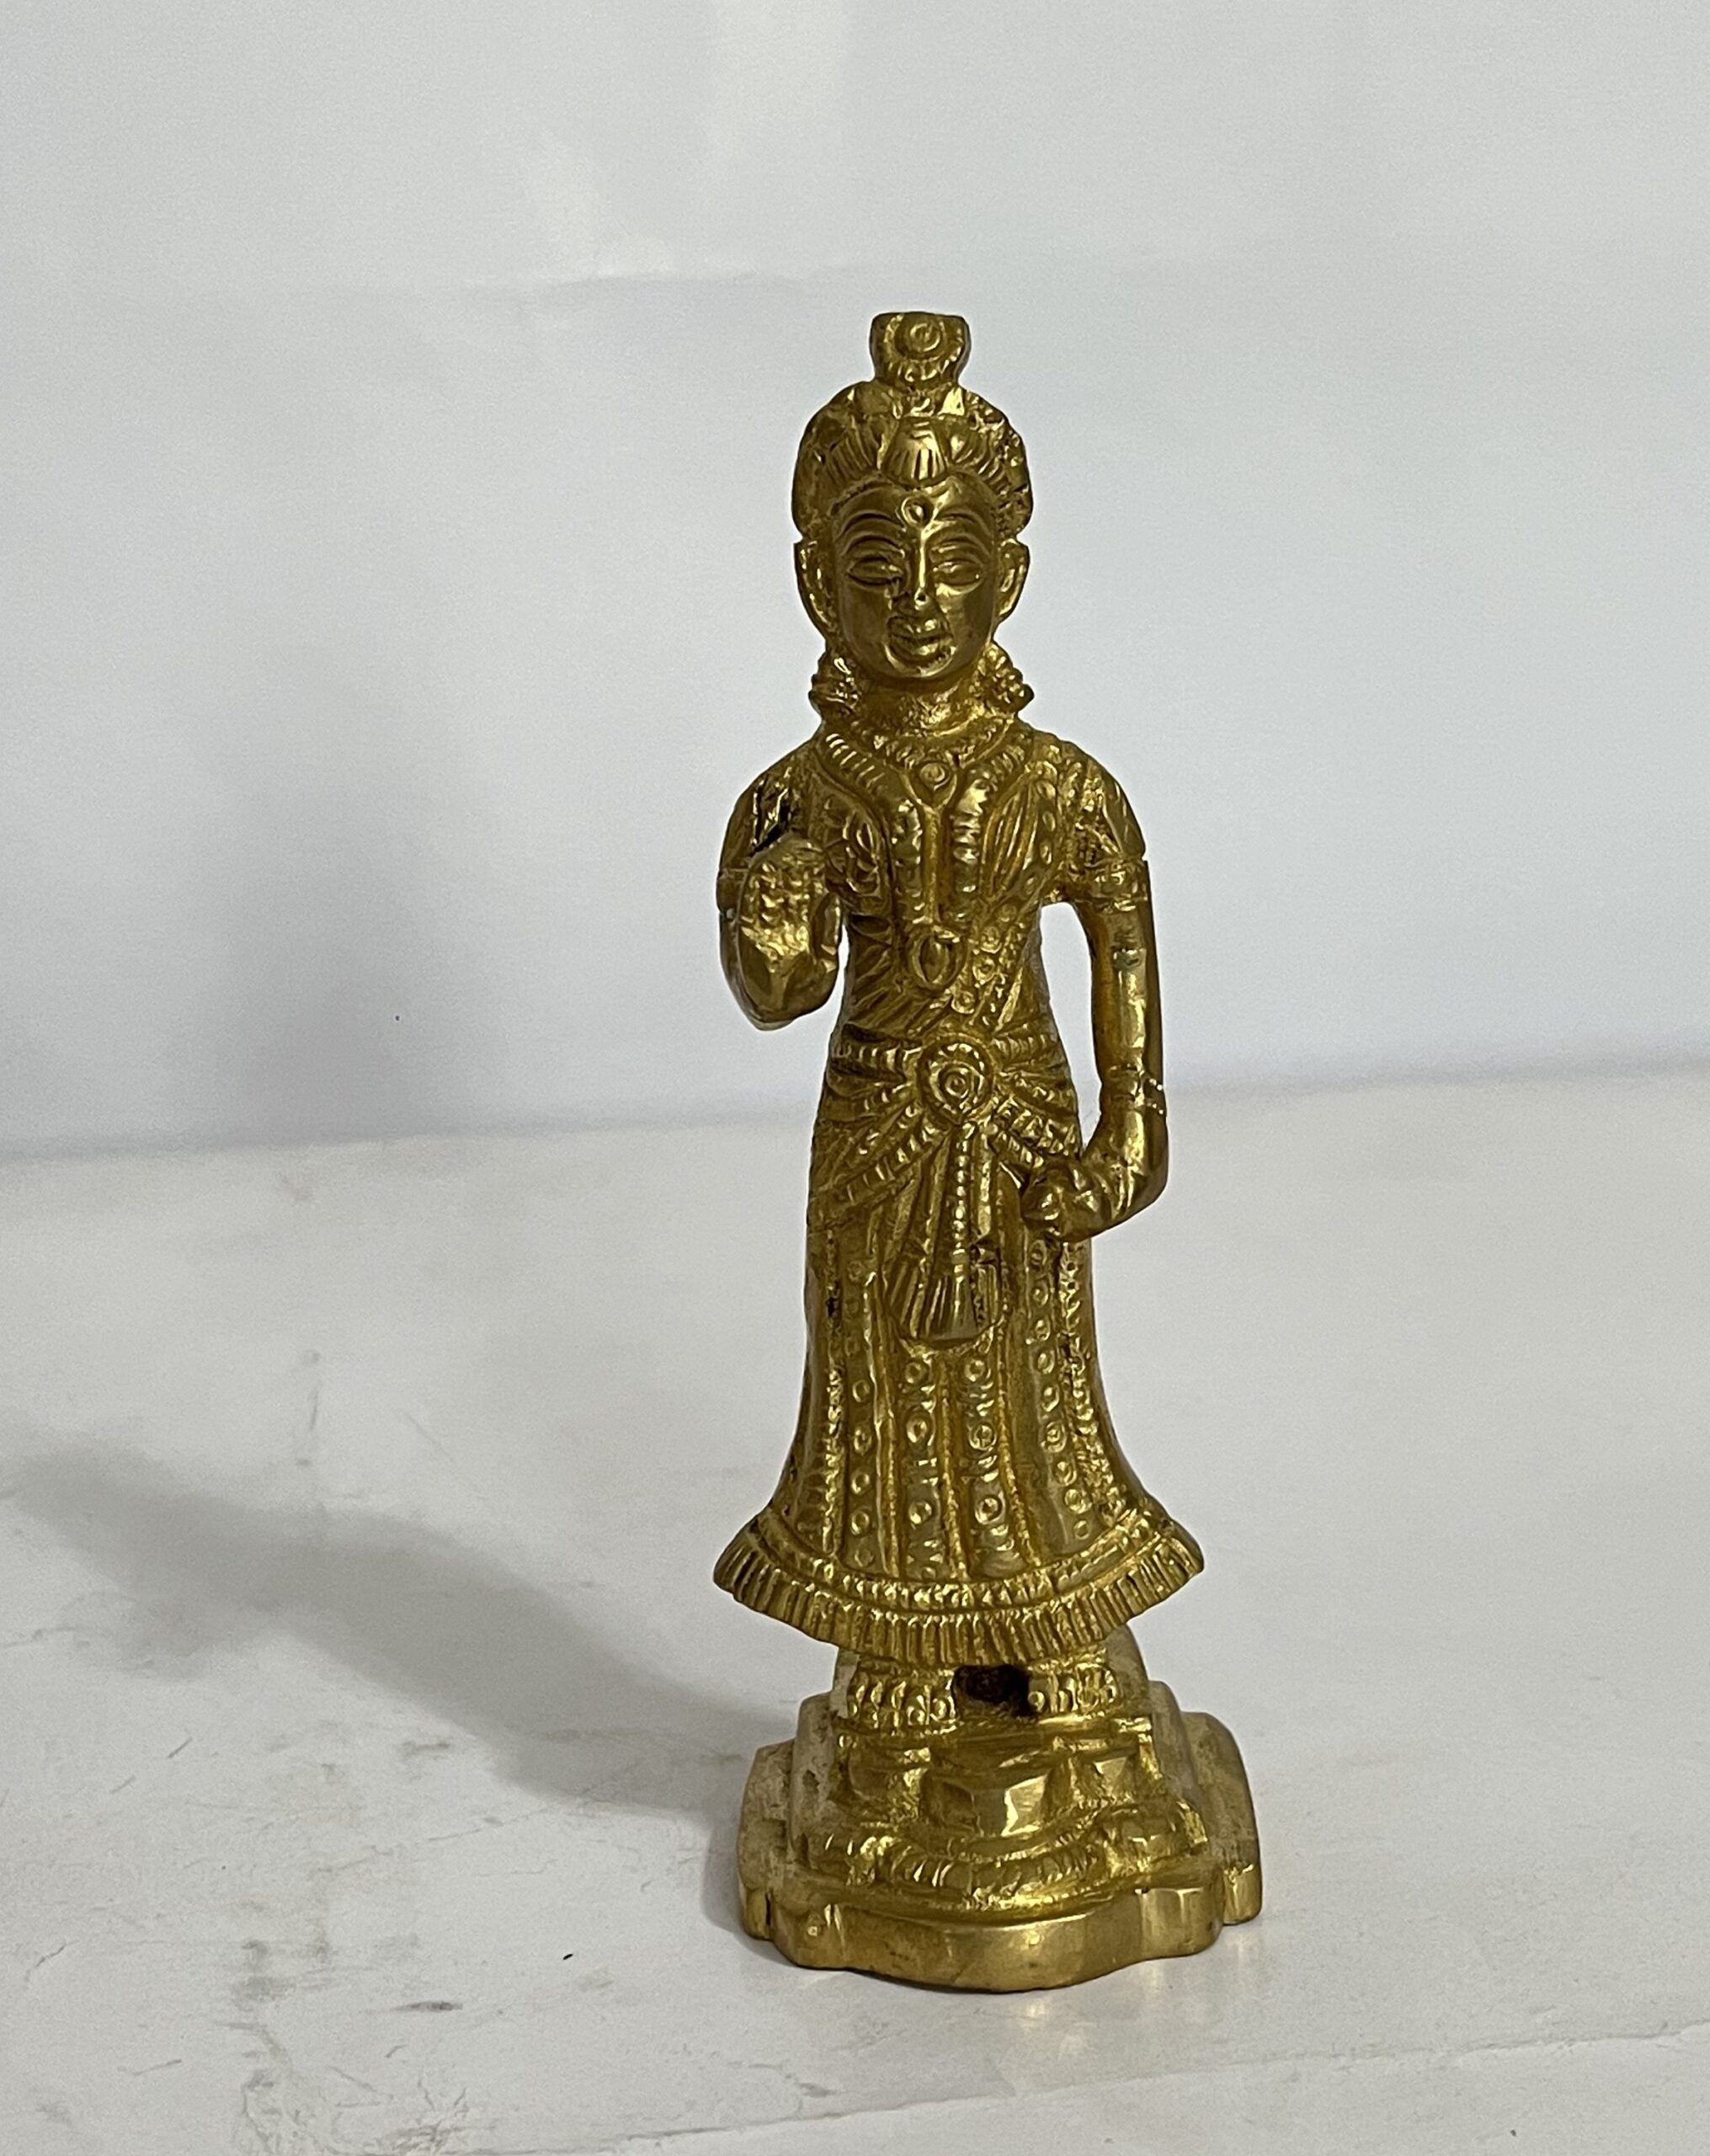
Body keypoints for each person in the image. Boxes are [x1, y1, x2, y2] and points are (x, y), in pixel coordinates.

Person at [714, 312, 1201, 1731]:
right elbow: (781, 996)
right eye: (879, 564)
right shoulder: (798, 795)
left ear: (1011, 576)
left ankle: (1058, 1617)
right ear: (818, 582)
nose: (919, 598)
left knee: (1032, 1379)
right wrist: (770, 915)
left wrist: (1135, 1122)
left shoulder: (1060, 784)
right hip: (876, 1129)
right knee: (878, 1372)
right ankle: (901, 1643)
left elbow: (1122, 942)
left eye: (952, 560)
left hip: (1021, 1122)